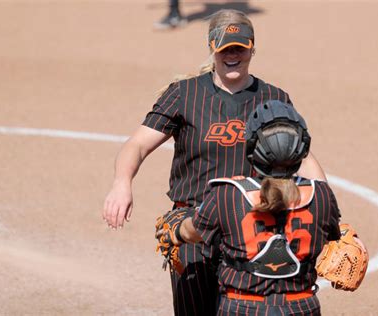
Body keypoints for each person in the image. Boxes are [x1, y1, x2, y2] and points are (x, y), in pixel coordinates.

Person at [103, 9, 327, 316]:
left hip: (252, 229)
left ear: (252, 48)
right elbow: (137, 145)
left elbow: (303, 160)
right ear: (212, 48)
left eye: (240, 48)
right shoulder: (184, 94)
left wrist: (325, 215)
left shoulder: (274, 98)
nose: (233, 55)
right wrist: (121, 183)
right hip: (192, 227)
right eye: (225, 49)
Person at [168, 101, 342, 315]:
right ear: (302, 148)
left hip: (243, 307)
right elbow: (334, 235)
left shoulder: (228, 195)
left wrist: (176, 230)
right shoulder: (323, 196)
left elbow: (190, 232)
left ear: (252, 148)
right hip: (302, 307)